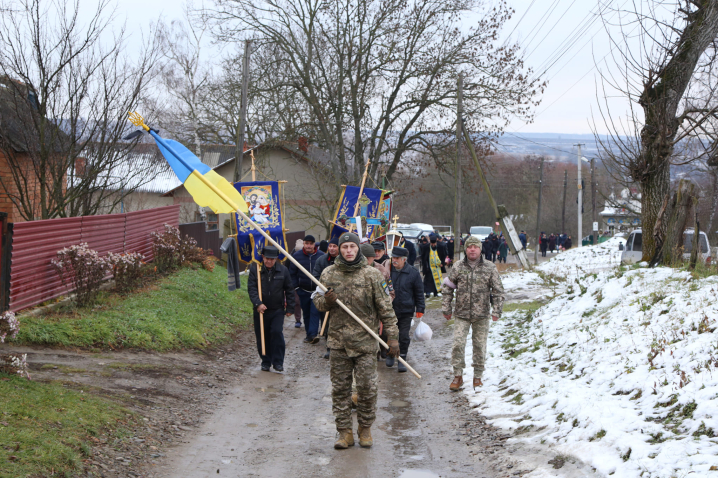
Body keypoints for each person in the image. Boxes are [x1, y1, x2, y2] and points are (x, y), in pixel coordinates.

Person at [313, 232, 399, 450]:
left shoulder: (372, 275)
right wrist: (327, 301)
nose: (348, 251)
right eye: (345, 247)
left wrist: (393, 337)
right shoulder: (328, 273)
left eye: (352, 247)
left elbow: (386, 309)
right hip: (338, 343)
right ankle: (344, 432)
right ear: (339, 250)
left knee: (367, 389)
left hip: (366, 343)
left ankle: (365, 428)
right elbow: (318, 303)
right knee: (340, 390)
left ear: (358, 249)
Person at [442, 236, 504, 391]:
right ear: (466, 249)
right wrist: (446, 308)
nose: (472, 249)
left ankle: (477, 376)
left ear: (480, 249)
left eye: (475, 247)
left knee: (479, 345)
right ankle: (457, 375)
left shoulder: (489, 267)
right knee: (458, 344)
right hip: (461, 314)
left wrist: (496, 310)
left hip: (481, 315)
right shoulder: (458, 266)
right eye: (469, 247)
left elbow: (498, 291)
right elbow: (448, 288)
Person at [247, 246, 295, 372]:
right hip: (261, 310)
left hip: (277, 309)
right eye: (267, 259)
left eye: (272, 259)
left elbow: (289, 289)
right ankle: (266, 361)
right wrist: (258, 303)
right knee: (262, 336)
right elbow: (252, 288)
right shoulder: (255, 269)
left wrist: (290, 307)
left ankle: (278, 362)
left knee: (276, 332)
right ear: (263, 257)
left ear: (276, 259)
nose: (269, 261)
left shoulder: (283, 270)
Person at [388, 246, 424, 373]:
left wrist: (420, 308)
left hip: (406, 310)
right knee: (390, 334)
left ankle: (402, 358)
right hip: (389, 310)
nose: (394, 260)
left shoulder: (413, 273)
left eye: (397, 258)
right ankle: (391, 354)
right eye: (393, 258)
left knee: (403, 336)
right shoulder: (388, 271)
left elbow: (419, 292)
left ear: (404, 259)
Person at [289, 235, 322, 344]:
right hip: (303, 289)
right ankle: (309, 335)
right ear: (303, 244)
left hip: (317, 291)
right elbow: (292, 273)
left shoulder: (321, 256)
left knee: (314, 312)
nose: (308, 246)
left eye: (311, 243)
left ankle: (313, 334)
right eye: (306, 243)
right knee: (306, 313)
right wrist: (297, 287)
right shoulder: (297, 256)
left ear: (314, 244)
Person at [314, 237, 341, 358]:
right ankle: (329, 347)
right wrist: (324, 288)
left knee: (337, 323)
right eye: (330, 246)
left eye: (334, 246)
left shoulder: (343, 260)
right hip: (325, 296)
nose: (332, 248)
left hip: (340, 297)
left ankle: (339, 347)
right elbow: (315, 275)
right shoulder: (321, 260)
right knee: (326, 322)